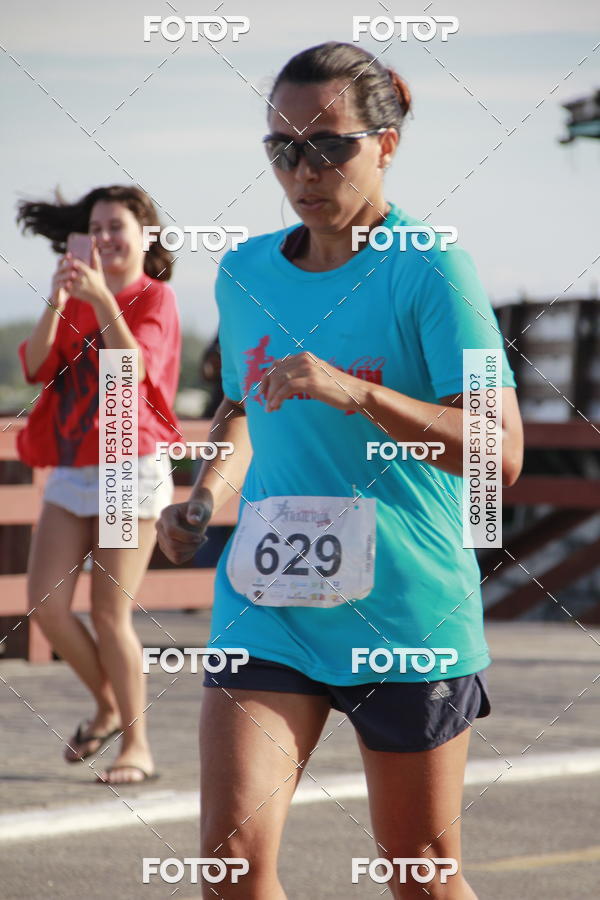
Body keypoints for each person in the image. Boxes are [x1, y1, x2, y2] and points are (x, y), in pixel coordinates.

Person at [156, 42, 524, 899]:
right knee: (229, 867)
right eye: (282, 148)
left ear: (387, 144)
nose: (303, 170)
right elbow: (250, 405)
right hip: (270, 603)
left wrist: (357, 393)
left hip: (405, 608)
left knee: (421, 878)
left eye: (329, 145)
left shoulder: (435, 269)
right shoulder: (245, 272)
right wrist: (206, 493)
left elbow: (499, 453)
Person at [17, 185, 181, 784]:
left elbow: (130, 368)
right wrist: (57, 298)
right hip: (71, 465)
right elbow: (35, 366)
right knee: (46, 606)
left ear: (145, 236)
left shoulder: (155, 297)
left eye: (117, 226)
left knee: (110, 613)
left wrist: (102, 300)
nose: (106, 237)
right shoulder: (77, 299)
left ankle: (137, 745)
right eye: (96, 227)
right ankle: (109, 706)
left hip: (125, 464)